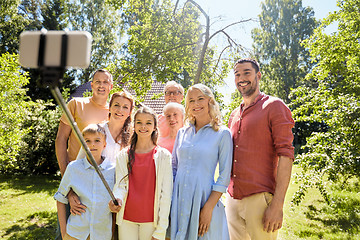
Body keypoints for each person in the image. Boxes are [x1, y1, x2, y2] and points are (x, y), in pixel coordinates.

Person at [225, 58, 295, 240]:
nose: (241, 78)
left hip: (260, 200)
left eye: (247, 73)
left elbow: (286, 155)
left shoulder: (274, 106)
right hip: (232, 199)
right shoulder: (234, 114)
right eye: (237, 74)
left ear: (258, 76)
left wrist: (277, 205)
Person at [54, 69, 113, 239]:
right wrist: (69, 186)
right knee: (67, 233)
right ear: (92, 84)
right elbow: (60, 140)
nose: (101, 85)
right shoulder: (75, 104)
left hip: (101, 184)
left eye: (105, 82)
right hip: (75, 177)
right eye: (98, 82)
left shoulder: (114, 111)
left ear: (111, 86)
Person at [170, 84, 233, 240]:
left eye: (200, 99)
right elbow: (174, 168)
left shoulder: (222, 133)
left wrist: (208, 208)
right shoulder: (182, 132)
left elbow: (224, 177)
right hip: (178, 200)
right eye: (191, 100)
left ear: (209, 101)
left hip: (204, 199)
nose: (196, 104)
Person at [109, 106, 173, 240]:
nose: (143, 126)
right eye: (139, 122)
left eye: (148, 123)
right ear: (133, 125)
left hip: (151, 221)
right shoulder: (123, 155)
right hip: (126, 219)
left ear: (155, 126)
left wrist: (161, 230)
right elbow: (120, 186)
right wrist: (117, 199)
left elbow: (166, 195)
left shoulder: (164, 156)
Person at [54, 124, 115, 240]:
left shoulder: (113, 170)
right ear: (83, 144)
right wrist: (63, 233)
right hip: (75, 233)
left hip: (102, 235)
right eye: (87, 141)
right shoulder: (73, 168)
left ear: (105, 144)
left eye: (97, 140)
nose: (92, 144)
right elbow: (60, 198)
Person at [77, 91, 135, 163]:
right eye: (116, 105)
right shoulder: (96, 130)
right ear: (110, 107)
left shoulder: (133, 136)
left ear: (130, 112)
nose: (120, 110)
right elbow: (79, 161)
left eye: (125, 107)